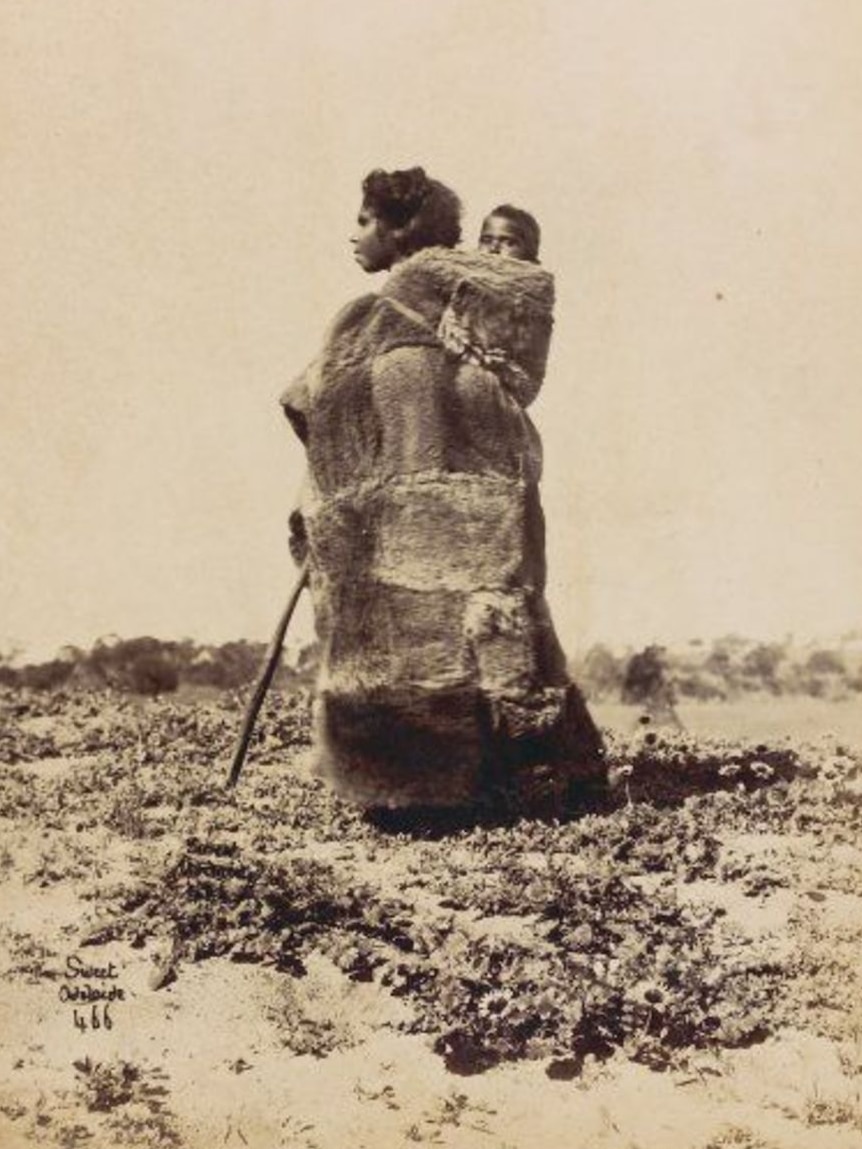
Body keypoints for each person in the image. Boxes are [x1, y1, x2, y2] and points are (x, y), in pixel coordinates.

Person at [281, 167, 604, 819]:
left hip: (429, 509)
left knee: (446, 640)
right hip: (444, 507)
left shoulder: (417, 304)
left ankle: (454, 783)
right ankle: (525, 771)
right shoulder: (407, 308)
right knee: (474, 638)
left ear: (400, 229)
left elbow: (313, 400)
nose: (354, 234)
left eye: (366, 221)